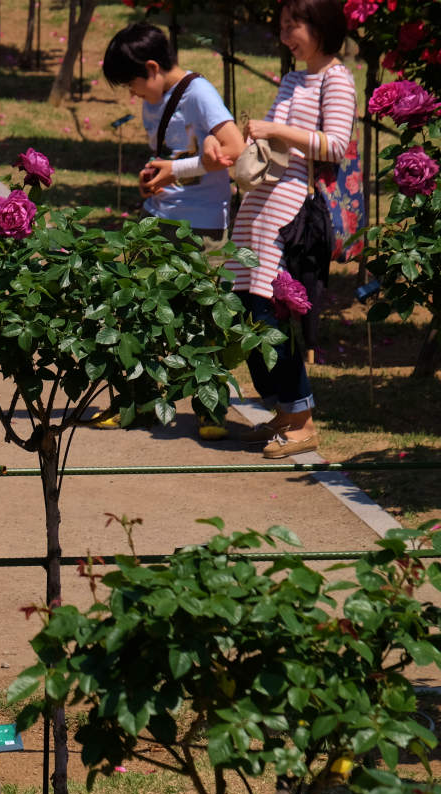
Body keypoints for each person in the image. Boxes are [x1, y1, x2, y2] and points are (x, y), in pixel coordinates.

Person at [221, 0, 355, 458]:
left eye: (291, 26)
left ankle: (302, 418)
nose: (284, 36)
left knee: (275, 316)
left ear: (319, 26)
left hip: (292, 210)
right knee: (246, 308)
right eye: (281, 27)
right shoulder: (295, 78)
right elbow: (275, 141)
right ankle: (282, 412)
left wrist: (276, 128)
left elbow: (336, 146)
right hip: (260, 206)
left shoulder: (336, 79)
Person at [101, 21, 245, 440]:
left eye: (132, 85)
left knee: (206, 318)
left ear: (152, 67)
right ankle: (138, 402)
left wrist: (177, 170)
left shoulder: (199, 94)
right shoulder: (155, 96)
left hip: (201, 226)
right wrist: (154, 179)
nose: (133, 95)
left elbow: (234, 150)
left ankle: (211, 409)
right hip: (157, 218)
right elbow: (168, 157)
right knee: (141, 311)